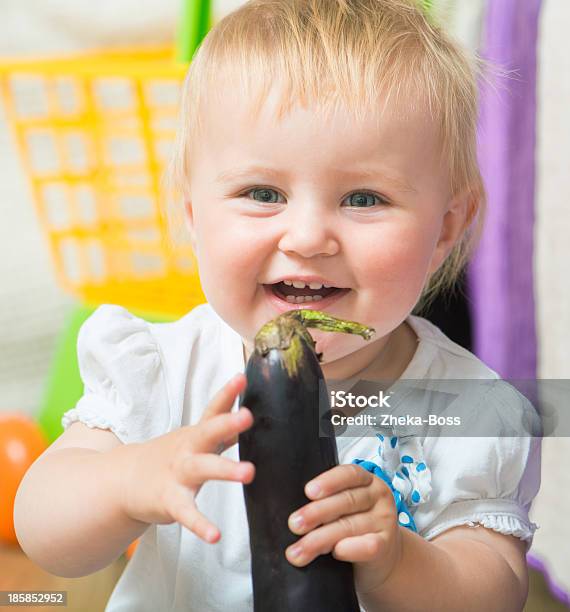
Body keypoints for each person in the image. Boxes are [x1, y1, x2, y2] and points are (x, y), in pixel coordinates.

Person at [14, 0, 541, 610]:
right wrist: (130, 480)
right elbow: (42, 529)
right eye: (262, 193)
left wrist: (397, 559)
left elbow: (494, 593)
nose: (308, 237)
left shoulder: (470, 409)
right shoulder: (164, 370)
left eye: (364, 198)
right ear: (193, 214)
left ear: (447, 226)